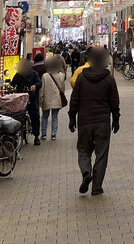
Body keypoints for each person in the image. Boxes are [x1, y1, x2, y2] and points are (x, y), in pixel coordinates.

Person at [68, 46, 120, 195]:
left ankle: (86, 172)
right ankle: (97, 187)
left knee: (83, 150)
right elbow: (114, 101)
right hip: (103, 121)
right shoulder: (109, 79)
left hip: (84, 121)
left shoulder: (81, 77)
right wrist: (116, 119)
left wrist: (72, 117)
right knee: (101, 154)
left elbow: (74, 99)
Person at [9, 56, 43, 146]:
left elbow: (39, 83)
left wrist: (35, 86)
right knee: (18, 117)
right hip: (20, 99)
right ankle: (18, 135)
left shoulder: (34, 74)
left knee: (35, 116)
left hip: (31, 98)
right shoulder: (18, 74)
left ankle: (36, 136)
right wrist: (9, 86)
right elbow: (12, 83)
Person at [40, 53, 68, 141]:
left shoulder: (45, 76)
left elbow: (42, 90)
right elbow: (62, 89)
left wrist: (41, 99)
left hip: (47, 99)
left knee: (45, 116)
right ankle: (53, 134)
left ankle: (43, 134)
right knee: (55, 117)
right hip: (57, 99)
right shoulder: (61, 75)